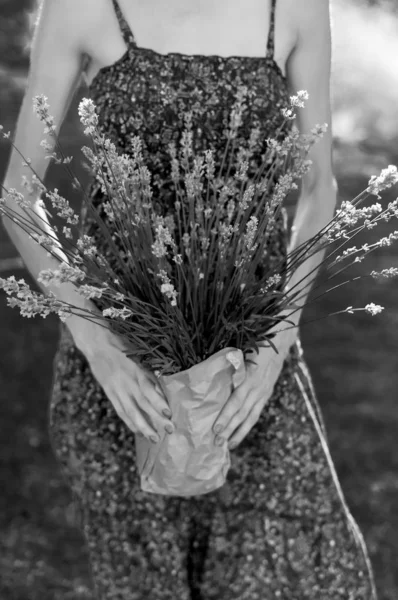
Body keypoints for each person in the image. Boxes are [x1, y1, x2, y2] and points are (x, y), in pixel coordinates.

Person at [2, 0, 377, 597]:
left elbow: (319, 185)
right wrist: (98, 347)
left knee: (312, 568)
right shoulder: (82, 6)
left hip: (252, 357)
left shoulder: (297, 6)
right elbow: (19, 194)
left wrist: (277, 347)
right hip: (125, 369)